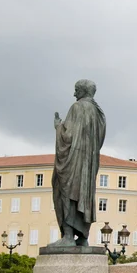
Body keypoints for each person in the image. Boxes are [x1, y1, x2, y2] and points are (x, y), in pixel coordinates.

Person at [50, 79, 106, 247]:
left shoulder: (77, 107)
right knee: (84, 195)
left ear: (82, 91)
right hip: (89, 164)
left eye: (76, 90)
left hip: (74, 160)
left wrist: (58, 127)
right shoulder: (99, 113)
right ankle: (83, 237)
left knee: (65, 190)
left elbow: (68, 137)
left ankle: (68, 236)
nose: (74, 94)